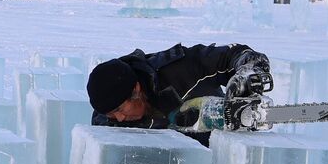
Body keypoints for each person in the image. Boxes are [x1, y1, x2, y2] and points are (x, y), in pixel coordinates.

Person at [86, 43, 270, 145]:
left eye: (119, 108)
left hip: (223, 157)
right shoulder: (105, 124)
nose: (118, 118)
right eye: (110, 113)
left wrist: (248, 72)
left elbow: (233, 55)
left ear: (136, 89)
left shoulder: (179, 70)